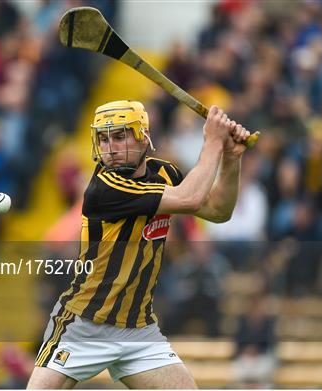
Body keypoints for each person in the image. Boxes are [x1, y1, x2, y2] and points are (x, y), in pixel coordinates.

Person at [27, 100, 251, 389]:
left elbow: (218, 211)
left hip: (138, 329)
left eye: (119, 137)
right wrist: (213, 141)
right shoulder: (105, 187)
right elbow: (190, 198)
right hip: (85, 323)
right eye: (103, 139)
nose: (110, 148)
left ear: (142, 136)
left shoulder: (165, 174)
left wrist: (231, 159)